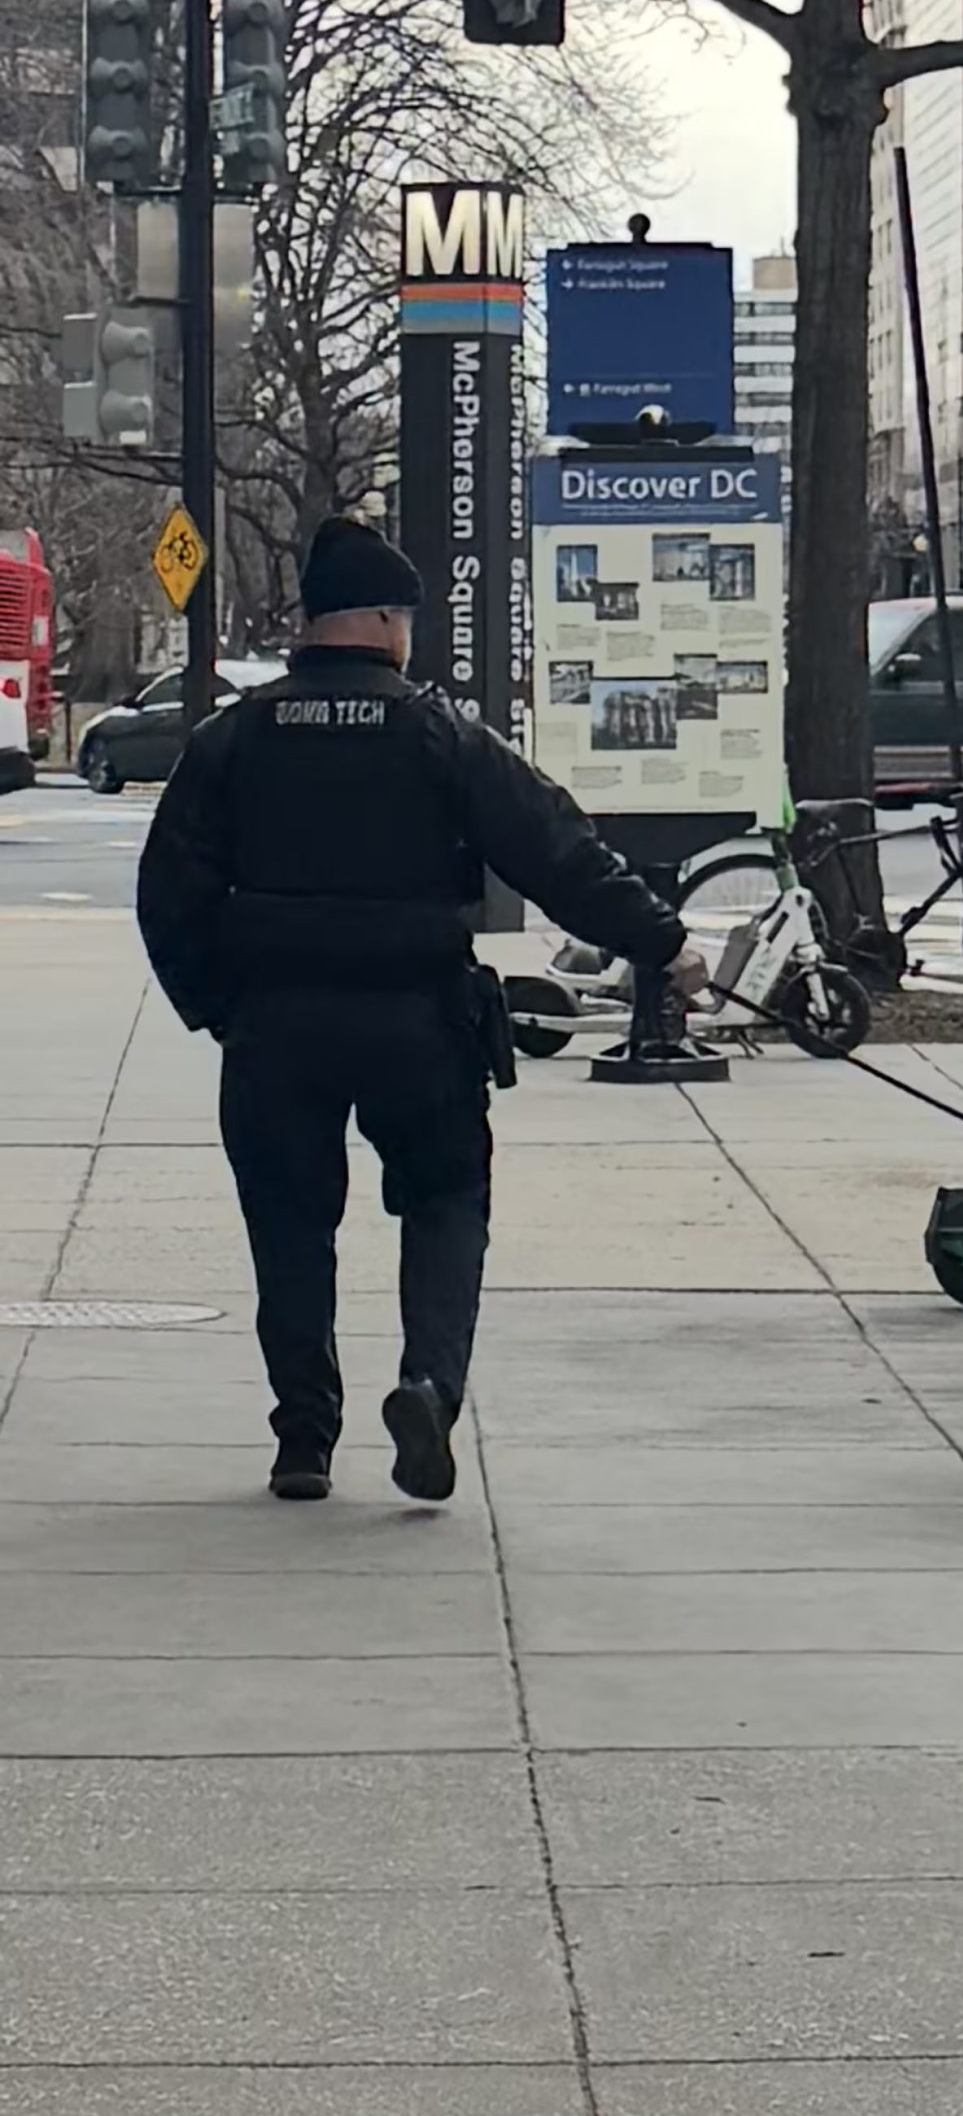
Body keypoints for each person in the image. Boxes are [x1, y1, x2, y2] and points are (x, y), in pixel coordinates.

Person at [136, 514, 707, 1506]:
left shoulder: (232, 738)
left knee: (288, 1223)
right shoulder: (437, 731)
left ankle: (303, 1438)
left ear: (312, 624)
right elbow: (554, 848)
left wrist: (217, 1005)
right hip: (417, 1016)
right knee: (444, 1201)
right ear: (389, 621)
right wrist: (662, 941)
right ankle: (428, 1384)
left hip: (276, 1023)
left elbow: (168, 892)